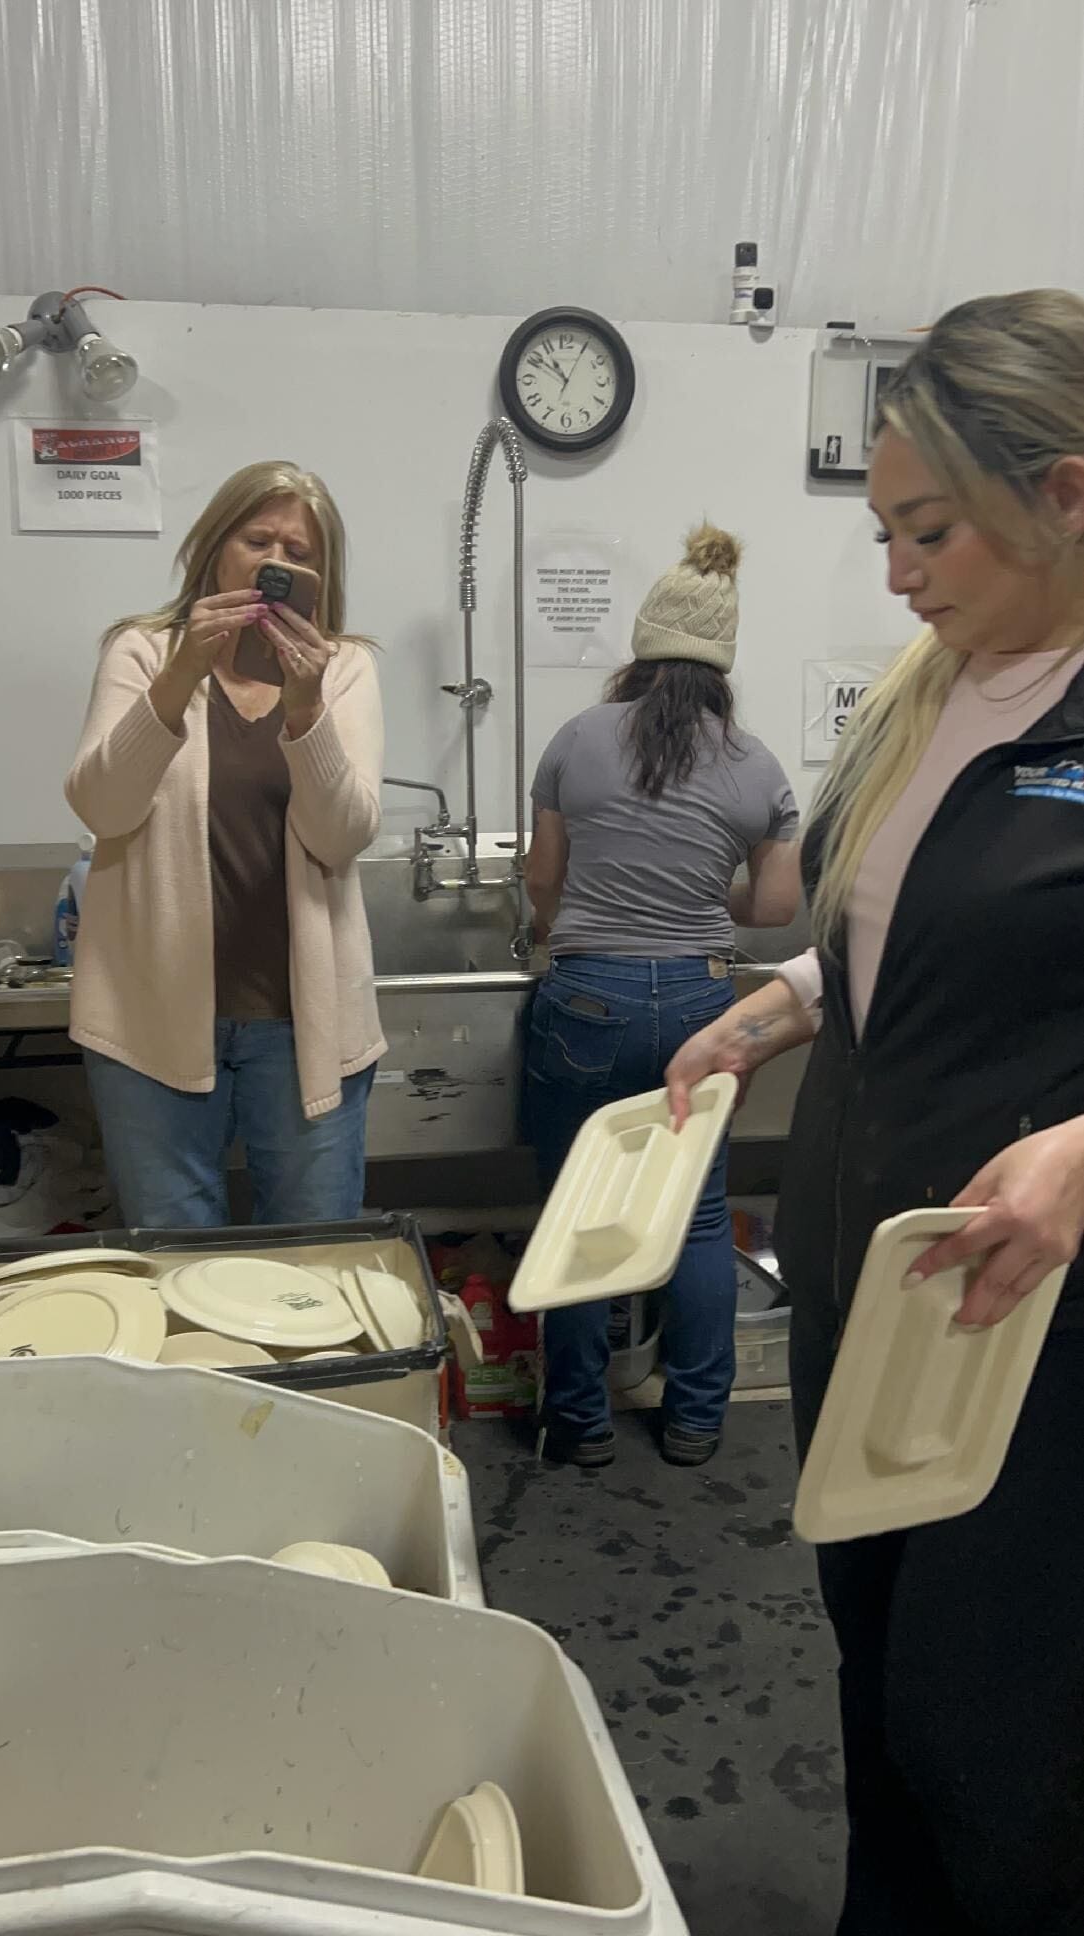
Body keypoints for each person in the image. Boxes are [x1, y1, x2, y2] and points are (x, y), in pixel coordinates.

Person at [666, 290, 1084, 1933]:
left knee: (997, 1739)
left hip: (1026, 1333)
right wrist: (769, 1008)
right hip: (863, 1291)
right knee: (877, 1686)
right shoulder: (923, 693)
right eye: (880, 532)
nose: (895, 572)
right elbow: (883, 941)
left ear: (1062, 495)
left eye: (929, 531)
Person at [525, 524, 800, 1469]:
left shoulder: (576, 738)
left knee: (579, 1207)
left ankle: (580, 1425)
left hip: (588, 999)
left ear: (639, 653)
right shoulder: (757, 762)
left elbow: (541, 881)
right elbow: (774, 905)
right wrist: (695, 897)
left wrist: (591, 908)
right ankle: (693, 1420)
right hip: (701, 1002)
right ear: (722, 668)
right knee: (699, 1213)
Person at [66, 460, 385, 1228]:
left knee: (316, 1261)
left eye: (300, 553)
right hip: (151, 1015)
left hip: (304, 1023)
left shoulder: (343, 671)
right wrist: (181, 676)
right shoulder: (143, 652)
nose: (278, 563)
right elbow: (102, 806)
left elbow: (341, 834)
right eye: (258, 540)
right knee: (176, 1267)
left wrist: (304, 712)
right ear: (216, 549)